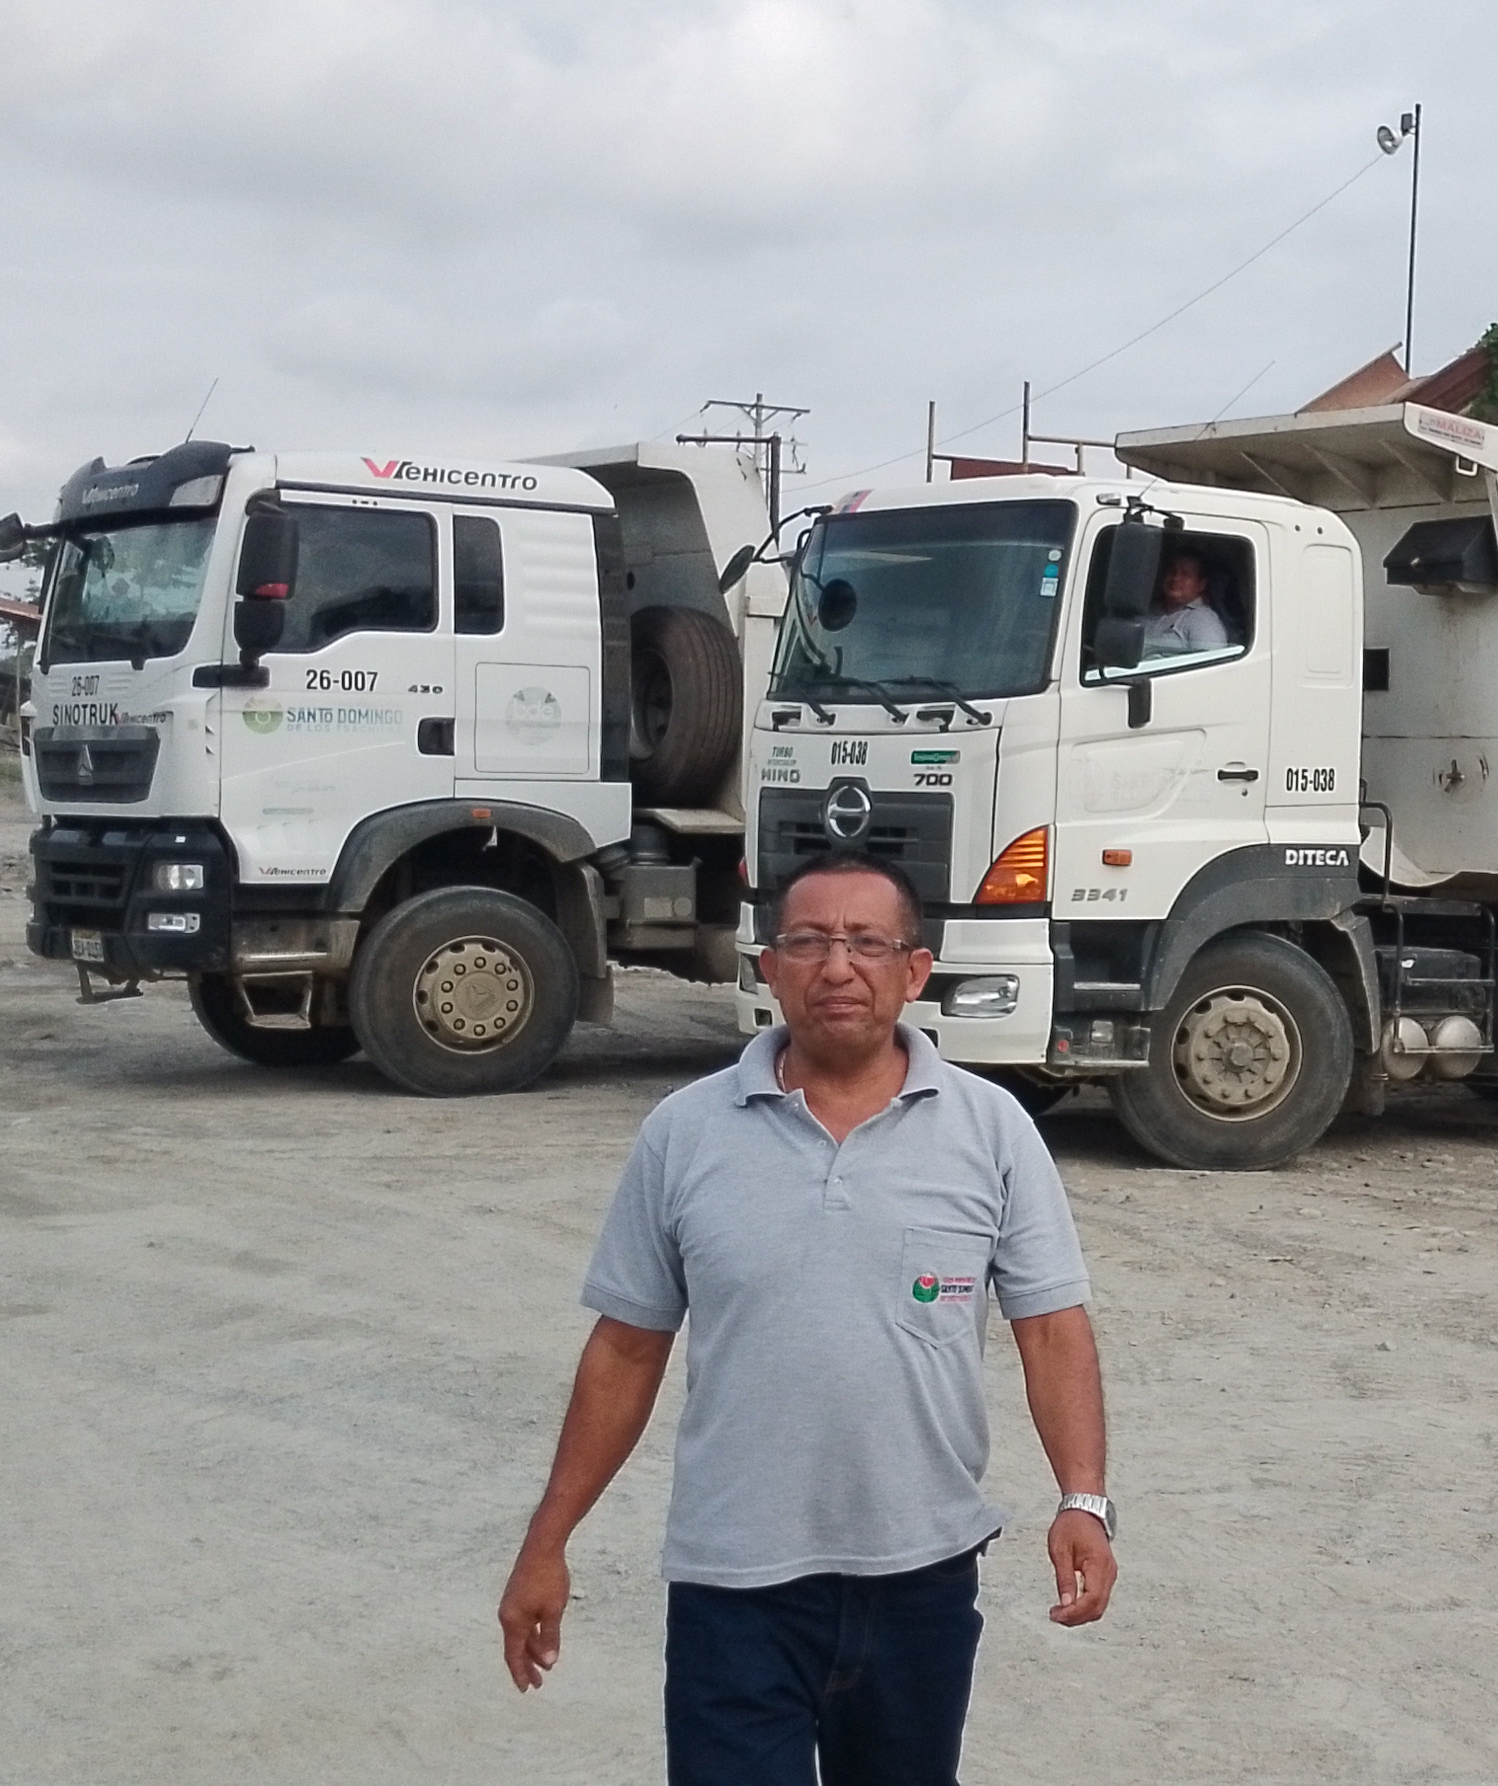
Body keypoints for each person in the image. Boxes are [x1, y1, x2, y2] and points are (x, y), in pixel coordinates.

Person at [499, 849, 1114, 1786]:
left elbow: (1052, 1328)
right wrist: (547, 1541)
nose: (838, 967)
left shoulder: (991, 1131)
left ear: (915, 970)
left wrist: (1083, 1500)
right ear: (769, 967)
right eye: (810, 942)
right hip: (734, 1588)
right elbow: (625, 1350)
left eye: (867, 943)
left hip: (921, 1579)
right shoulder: (685, 1133)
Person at [1138, 549, 1230, 659]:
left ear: (1201, 584)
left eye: (1185, 574)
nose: (1175, 578)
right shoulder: (1146, 611)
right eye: (1172, 571)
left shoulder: (1203, 620)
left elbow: (1212, 665)